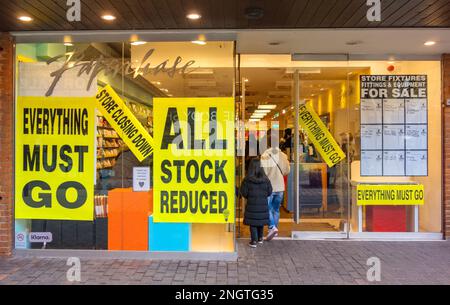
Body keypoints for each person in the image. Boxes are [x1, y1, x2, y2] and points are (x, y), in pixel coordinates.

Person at [260, 130, 291, 241]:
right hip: (280, 187)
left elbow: (263, 172)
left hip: (269, 187)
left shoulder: (264, 155)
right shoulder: (283, 155)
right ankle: (274, 230)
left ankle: (272, 227)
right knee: (276, 209)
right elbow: (287, 171)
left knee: (267, 208)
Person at [240, 158, 273, 248]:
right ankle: (260, 238)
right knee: (260, 221)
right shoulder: (266, 179)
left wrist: (250, 197)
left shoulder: (247, 180)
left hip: (252, 205)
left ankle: (254, 241)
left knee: (253, 222)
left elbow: (244, 193)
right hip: (263, 205)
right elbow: (269, 192)